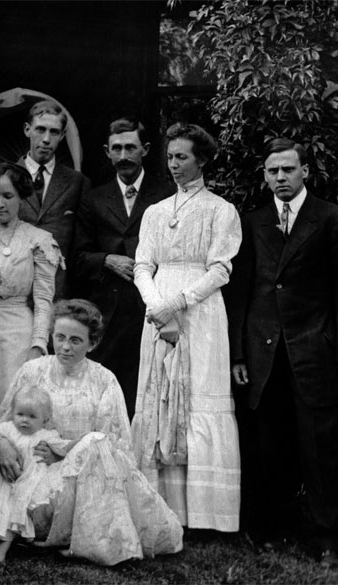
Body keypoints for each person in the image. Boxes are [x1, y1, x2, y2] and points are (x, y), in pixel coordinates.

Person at [226, 138, 338, 567]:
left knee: (319, 448)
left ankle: (328, 540)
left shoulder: (334, 220)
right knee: (269, 447)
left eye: (288, 169)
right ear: (264, 176)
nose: (281, 178)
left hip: (314, 351)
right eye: (273, 171)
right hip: (263, 354)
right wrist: (238, 356)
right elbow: (241, 293)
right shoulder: (252, 222)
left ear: (305, 171)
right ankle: (271, 530)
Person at [0, 300, 183, 566]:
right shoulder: (31, 371)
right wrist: (1, 444)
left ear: (92, 344)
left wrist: (66, 453)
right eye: (60, 337)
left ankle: (94, 542)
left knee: (95, 442)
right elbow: (3, 420)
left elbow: (114, 446)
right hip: (33, 480)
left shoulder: (104, 380)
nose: (66, 347)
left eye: (76, 340)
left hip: (81, 482)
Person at [131, 123, 241, 532]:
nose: (174, 164)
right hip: (157, 310)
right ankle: (163, 510)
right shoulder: (155, 212)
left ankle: (206, 514)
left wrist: (176, 304)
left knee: (196, 397)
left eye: (183, 157)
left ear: (202, 160)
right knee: (160, 396)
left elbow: (220, 270)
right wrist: (156, 305)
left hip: (201, 312)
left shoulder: (220, 210)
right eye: (171, 156)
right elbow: (143, 265)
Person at [71, 118, 173, 416]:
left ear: (146, 150)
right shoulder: (93, 198)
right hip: (108, 313)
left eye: (131, 147)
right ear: (107, 151)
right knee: (106, 395)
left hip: (150, 308)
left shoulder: (166, 194)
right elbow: (77, 256)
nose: (124, 155)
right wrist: (106, 260)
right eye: (117, 148)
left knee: (149, 391)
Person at [0, 162, 60, 442]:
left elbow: (42, 298)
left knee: (18, 402)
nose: (0, 204)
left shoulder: (38, 240)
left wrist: (38, 344)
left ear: (21, 197)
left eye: (8, 196)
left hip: (19, 331)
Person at [0, 386, 69, 565]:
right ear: (13, 413)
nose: (24, 421)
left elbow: (63, 449)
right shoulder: (7, 429)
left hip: (26, 486)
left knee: (12, 517)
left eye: (32, 417)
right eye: (20, 414)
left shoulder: (46, 435)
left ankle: (1, 552)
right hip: (1, 483)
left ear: (45, 419)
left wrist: (57, 454)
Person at [16, 100, 89, 299]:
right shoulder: (5, 177)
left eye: (54, 132)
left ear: (62, 135)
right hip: (14, 291)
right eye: (40, 129)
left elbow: (81, 245)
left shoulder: (77, 183)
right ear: (27, 129)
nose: (46, 139)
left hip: (59, 291)